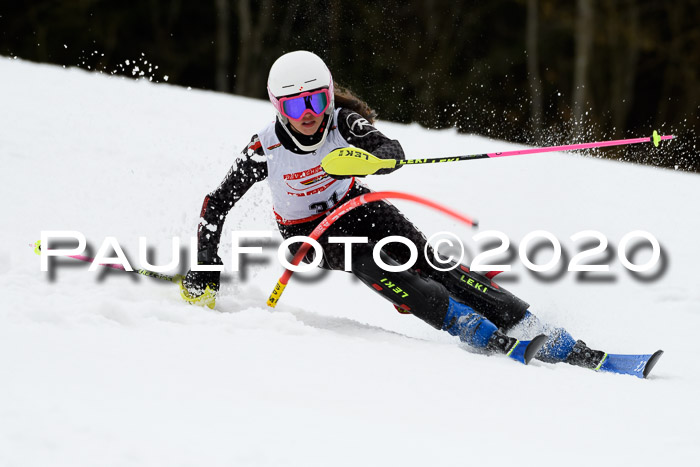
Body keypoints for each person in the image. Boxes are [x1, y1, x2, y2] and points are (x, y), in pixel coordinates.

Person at [180, 50, 607, 369]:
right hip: (306, 235)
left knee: (431, 260)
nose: (308, 114)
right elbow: (215, 203)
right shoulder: (264, 148)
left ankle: (529, 325)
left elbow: (386, 146)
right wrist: (205, 264)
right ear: (279, 108)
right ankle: (466, 325)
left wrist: (381, 157)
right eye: (295, 106)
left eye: (315, 100)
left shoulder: (341, 121)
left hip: (354, 205)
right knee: (376, 264)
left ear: (328, 96)